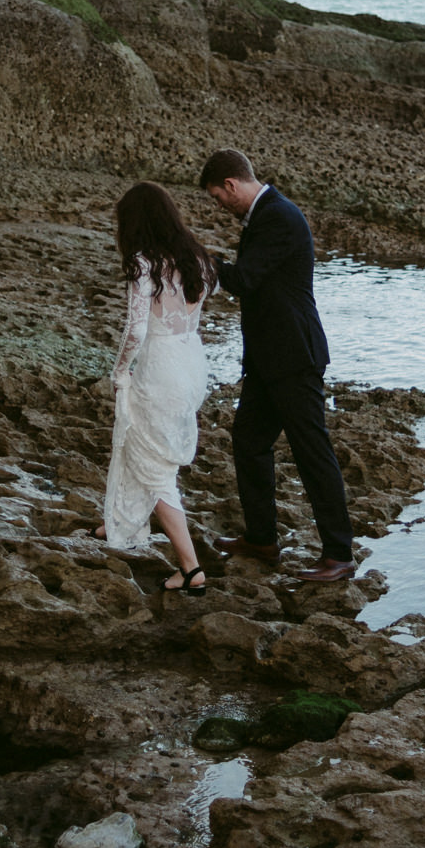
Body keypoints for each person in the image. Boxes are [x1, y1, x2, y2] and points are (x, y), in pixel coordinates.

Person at [198, 149, 356, 582]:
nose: (219, 206)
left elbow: (245, 279)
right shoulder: (265, 215)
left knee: (312, 452)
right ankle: (263, 540)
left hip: (294, 358)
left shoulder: (278, 216)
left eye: (217, 197)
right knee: (249, 441)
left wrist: (202, 262)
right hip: (268, 359)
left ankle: (339, 554)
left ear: (231, 185)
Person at [98, 182, 216, 594]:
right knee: (147, 448)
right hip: (191, 362)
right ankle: (121, 518)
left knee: (152, 461)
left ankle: (190, 568)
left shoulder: (145, 263)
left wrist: (119, 371)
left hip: (159, 366)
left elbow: (136, 328)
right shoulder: (198, 258)